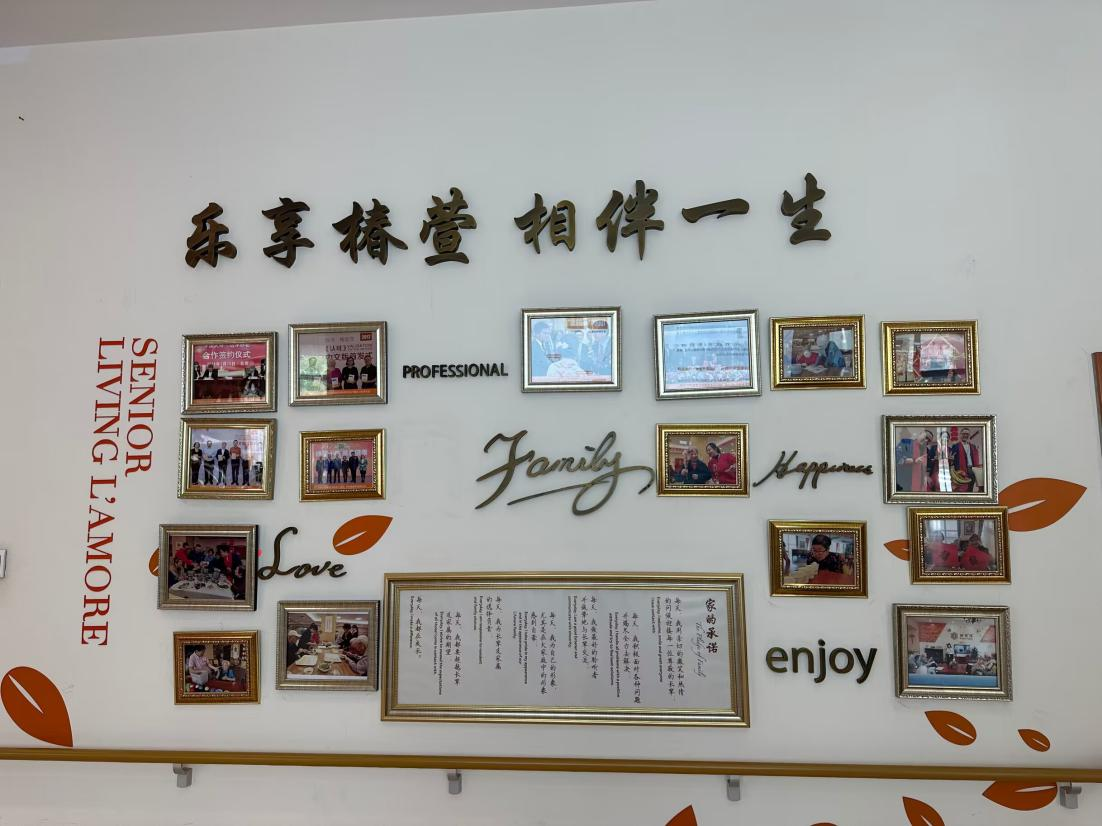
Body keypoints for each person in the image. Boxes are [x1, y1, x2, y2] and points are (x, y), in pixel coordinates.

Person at [949, 428, 980, 492]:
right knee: (962, 489)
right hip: (961, 470)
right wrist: (951, 460)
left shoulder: (973, 446)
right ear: (960, 435)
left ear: (969, 435)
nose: (965, 435)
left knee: (970, 487)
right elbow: (951, 459)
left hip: (972, 469)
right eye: (964, 434)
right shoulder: (955, 446)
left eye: (967, 434)